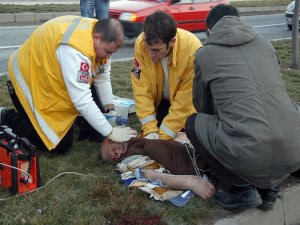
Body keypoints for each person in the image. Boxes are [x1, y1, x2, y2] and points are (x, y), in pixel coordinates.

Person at [185, 4, 300, 211]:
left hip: (250, 152)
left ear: (210, 29)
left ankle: (241, 189)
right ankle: (269, 189)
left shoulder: (205, 54)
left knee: (194, 123)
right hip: (293, 150)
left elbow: (203, 107)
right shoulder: (266, 43)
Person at [0, 16, 137, 154]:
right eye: (108, 52)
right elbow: (82, 101)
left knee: (94, 122)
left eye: (112, 53)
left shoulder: (99, 35)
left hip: (49, 72)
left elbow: (102, 75)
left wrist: (109, 108)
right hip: (27, 79)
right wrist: (110, 132)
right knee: (59, 145)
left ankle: (86, 126)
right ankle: (6, 116)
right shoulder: (76, 51)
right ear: (96, 38)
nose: (108, 57)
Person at [131, 11, 202, 141]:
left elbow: (185, 102)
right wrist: (150, 130)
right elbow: (141, 89)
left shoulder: (192, 50)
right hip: (161, 100)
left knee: (181, 138)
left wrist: (163, 138)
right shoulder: (141, 43)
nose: (151, 55)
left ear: (172, 41)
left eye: (156, 50)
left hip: (186, 104)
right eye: (148, 48)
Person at [101, 137, 215, 200]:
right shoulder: (129, 159)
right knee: (145, 172)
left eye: (112, 149)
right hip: (194, 168)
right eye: (111, 158)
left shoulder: (137, 140)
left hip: (196, 155)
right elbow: (150, 175)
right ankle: (191, 180)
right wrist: (190, 182)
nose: (115, 155)